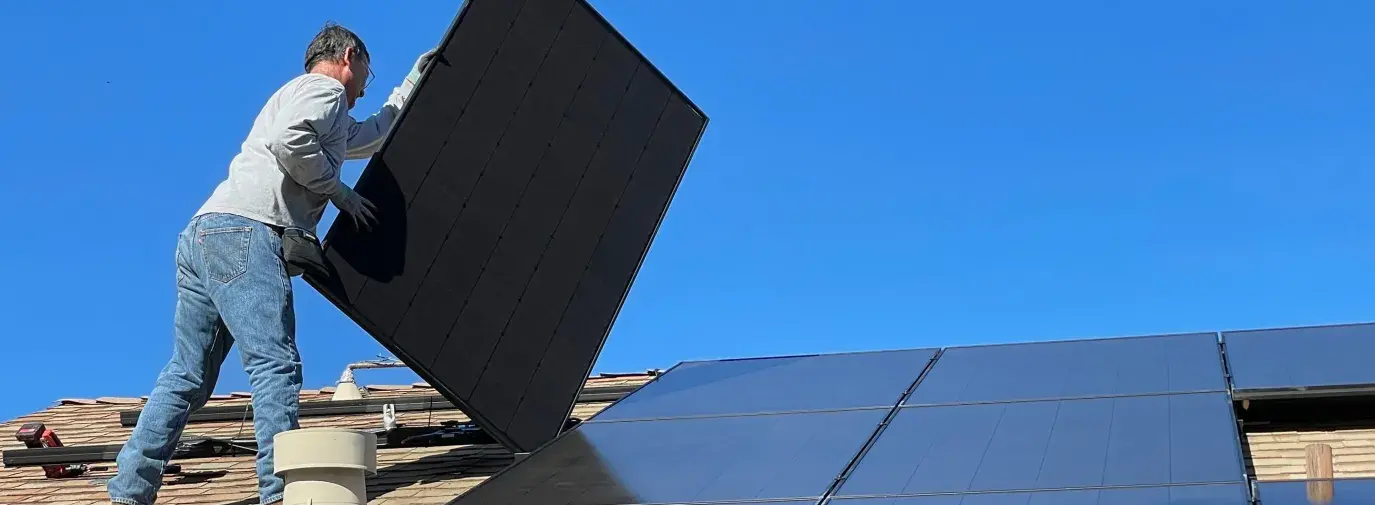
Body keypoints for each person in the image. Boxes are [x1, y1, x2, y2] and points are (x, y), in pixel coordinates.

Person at [107, 22, 436, 505]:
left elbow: (369, 137)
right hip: (246, 231)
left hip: (205, 234)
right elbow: (290, 140)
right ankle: (280, 492)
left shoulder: (314, 103)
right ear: (349, 57)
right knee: (275, 363)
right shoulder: (324, 91)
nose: (365, 86)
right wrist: (337, 191)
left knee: (187, 376)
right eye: (366, 71)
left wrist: (411, 83)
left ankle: (129, 490)